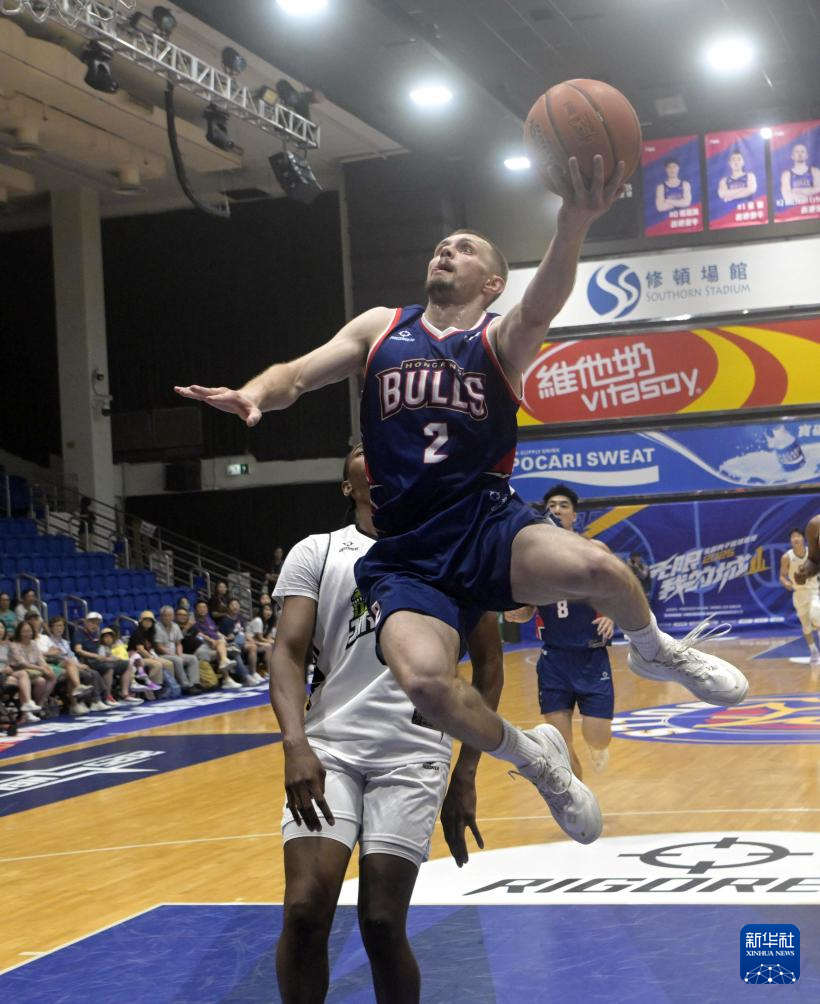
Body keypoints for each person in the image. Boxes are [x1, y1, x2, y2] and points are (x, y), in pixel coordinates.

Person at [178, 153, 748, 844]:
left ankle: (654, 649)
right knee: (425, 684)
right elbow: (296, 375)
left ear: (491, 282)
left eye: (465, 248)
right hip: (407, 552)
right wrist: (254, 394)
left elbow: (544, 302)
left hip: (486, 525)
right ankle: (535, 758)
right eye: (442, 245)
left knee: (601, 568)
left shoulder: (499, 339)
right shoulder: (381, 328)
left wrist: (573, 220)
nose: (446, 250)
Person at [270, 444, 503, 1004]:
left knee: (381, 922)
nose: (373, 456)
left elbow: (490, 666)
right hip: (330, 750)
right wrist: (295, 745)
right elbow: (288, 652)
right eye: (361, 457)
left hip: (413, 754)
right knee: (304, 910)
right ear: (348, 487)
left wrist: (466, 773)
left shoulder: (448, 551)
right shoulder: (317, 552)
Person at [506, 485, 615, 777]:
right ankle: (578, 796)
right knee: (560, 743)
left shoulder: (593, 550)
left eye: (564, 505)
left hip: (591, 656)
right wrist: (517, 613)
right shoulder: (531, 561)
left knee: (598, 736)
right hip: (553, 658)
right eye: (551, 505)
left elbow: (619, 589)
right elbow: (527, 608)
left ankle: (598, 746)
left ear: (574, 516)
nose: (557, 509)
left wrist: (612, 615)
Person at [72, 612, 140, 707]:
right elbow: (78, 650)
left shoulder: (97, 634)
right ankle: (107, 696)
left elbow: (104, 648)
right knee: (109, 667)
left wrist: (111, 656)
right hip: (89, 661)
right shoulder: (79, 633)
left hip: (101, 659)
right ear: (86, 622)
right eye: (92, 622)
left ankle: (125, 694)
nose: (94, 625)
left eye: (97, 623)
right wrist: (96, 656)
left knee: (127, 663)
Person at [780, 527, 820, 665]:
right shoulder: (786, 557)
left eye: (798, 536)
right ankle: (813, 650)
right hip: (798, 594)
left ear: (803, 538)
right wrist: (786, 583)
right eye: (793, 537)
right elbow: (782, 576)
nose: (795, 538)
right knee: (806, 627)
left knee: (816, 615)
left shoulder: (812, 554)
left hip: (814, 591)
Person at [192, 599, 244, 689]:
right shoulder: (194, 622)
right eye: (200, 607)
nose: (202, 609)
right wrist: (211, 640)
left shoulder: (209, 619)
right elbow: (199, 634)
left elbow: (216, 632)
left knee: (230, 649)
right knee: (225, 648)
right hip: (206, 645)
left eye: (204, 607)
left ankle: (227, 676)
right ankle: (231, 677)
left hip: (217, 644)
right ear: (196, 610)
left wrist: (224, 637)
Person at [154, 605, 202, 694]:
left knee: (192, 658)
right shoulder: (156, 627)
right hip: (162, 654)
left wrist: (179, 654)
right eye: (165, 615)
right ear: (161, 616)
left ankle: (194, 683)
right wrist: (173, 655)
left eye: (170, 615)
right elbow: (158, 646)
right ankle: (185, 685)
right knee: (177, 660)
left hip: (175, 653)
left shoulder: (175, 626)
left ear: (173, 616)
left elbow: (178, 643)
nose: (168, 618)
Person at [0, 619, 42, 721]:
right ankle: (26, 711)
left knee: (23, 675)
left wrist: (8, 667)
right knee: (22, 681)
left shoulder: (7, 644)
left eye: (1, 627)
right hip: (1, 673)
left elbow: (9, 661)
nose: (0, 630)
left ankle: (27, 707)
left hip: (7, 673)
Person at [220, 598, 265, 684]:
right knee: (235, 651)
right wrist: (230, 637)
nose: (235, 607)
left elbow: (244, 632)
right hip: (231, 645)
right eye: (232, 605)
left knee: (253, 647)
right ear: (228, 607)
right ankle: (246, 677)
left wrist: (251, 640)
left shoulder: (240, 618)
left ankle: (253, 673)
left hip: (242, 642)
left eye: (237, 605)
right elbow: (226, 638)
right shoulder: (224, 620)